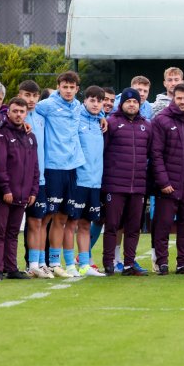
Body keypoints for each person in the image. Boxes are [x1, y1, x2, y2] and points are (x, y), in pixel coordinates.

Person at [33, 71, 86, 279]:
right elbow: (23, 109)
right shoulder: (47, 105)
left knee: (63, 217)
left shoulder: (78, 106)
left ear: (77, 89)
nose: (68, 90)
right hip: (53, 167)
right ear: (58, 87)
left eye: (72, 87)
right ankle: (38, 262)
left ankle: (55, 262)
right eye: (65, 87)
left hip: (72, 168)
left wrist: (102, 120)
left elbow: (94, 112)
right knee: (46, 217)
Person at [151, 83, 184, 275]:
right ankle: (162, 263)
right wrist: (163, 181)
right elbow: (155, 153)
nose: (182, 102)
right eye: (179, 98)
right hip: (169, 184)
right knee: (163, 225)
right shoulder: (161, 120)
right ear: (173, 98)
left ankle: (183, 263)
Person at [100, 88, 152, 275]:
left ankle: (129, 264)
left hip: (137, 186)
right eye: (128, 101)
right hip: (114, 184)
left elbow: (150, 154)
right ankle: (109, 263)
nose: (132, 104)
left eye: (135, 102)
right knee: (112, 225)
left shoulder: (147, 125)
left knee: (133, 227)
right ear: (121, 104)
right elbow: (102, 152)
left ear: (139, 105)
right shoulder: (111, 123)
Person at [0, 97, 38, 280]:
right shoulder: (1, 134)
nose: (18, 115)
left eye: (21, 112)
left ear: (26, 114)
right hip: (4, 194)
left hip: (24, 194)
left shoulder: (30, 136)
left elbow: (35, 167)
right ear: (8, 112)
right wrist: (5, 189)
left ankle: (11, 268)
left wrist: (33, 191)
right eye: (15, 111)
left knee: (13, 232)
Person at [69, 86, 107, 277]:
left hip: (95, 182)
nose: (95, 104)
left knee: (85, 224)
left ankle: (84, 264)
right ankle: (68, 265)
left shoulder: (102, 122)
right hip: (78, 180)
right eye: (91, 100)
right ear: (84, 101)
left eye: (98, 101)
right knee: (71, 224)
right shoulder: (76, 118)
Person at [17, 81, 52, 278]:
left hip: (40, 179)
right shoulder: (13, 115)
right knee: (15, 225)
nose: (30, 100)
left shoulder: (42, 117)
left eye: (34, 96)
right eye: (26, 95)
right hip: (17, 180)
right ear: (19, 95)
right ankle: (14, 263)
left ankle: (36, 263)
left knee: (37, 221)